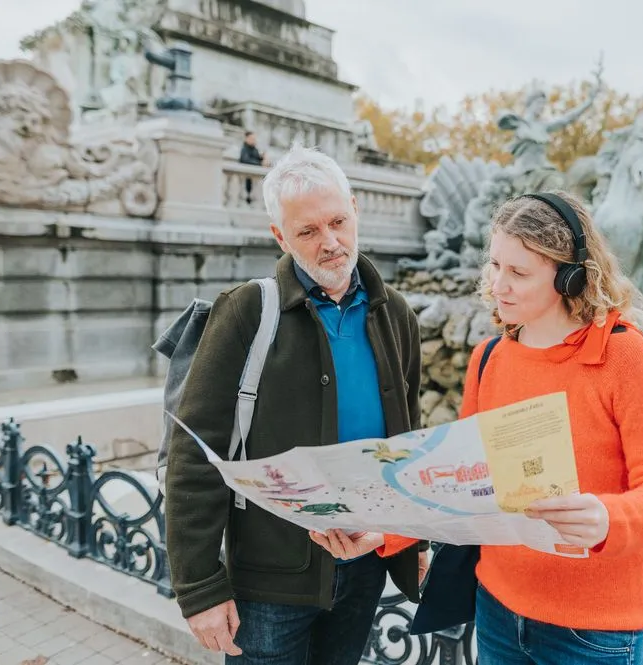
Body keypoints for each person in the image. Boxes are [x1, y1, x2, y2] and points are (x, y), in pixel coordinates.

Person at [310, 191, 643, 665]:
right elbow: (460, 486)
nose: (497, 285)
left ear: (570, 276)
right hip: (496, 613)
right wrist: (381, 535)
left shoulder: (625, 357)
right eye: (494, 266)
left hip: (594, 636)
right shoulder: (488, 358)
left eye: (518, 273)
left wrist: (610, 518)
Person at [164, 145, 429, 665]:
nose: (330, 242)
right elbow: (194, 452)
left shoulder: (395, 313)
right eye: (308, 231)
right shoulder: (245, 311)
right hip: (271, 581)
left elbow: (409, 438)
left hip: (366, 562)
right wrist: (200, 588)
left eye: (338, 221)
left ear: (355, 209)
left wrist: (412, 540)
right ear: (280, 237)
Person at [239, 131, 269, 203]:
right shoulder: (244, 149)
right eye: (252, 138)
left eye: (254, 139)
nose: (254, 140)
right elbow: (245, 160)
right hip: (246, 175)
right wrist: (260, 163)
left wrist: (263, 158)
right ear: (246, 138)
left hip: (253, 177)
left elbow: (257, 157)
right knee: (247, 192)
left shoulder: (254, 149)